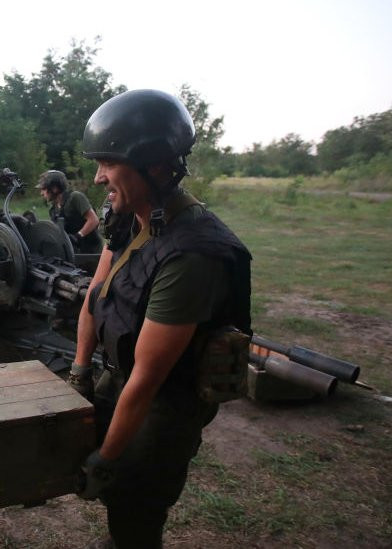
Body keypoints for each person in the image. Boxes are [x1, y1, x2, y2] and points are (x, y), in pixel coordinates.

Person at [69, 89, 252, 548]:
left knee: (136, 508)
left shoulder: (192, 254)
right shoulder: (128, 216)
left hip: (161, 410)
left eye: (108, 163)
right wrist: (80, 371)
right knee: (121, 507)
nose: (98, 178)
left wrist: (106, 459)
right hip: (121, 383)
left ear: (152, 165)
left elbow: (149, 380)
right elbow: (96, 292)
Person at [36, 169, 104, 254]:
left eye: (44, 189)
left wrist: (78, 236)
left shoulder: (75, 198)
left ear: (54, 188)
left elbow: (94, 220)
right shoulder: (53, 210)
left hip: (91, 252)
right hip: (74, 253)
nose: (41, 193)